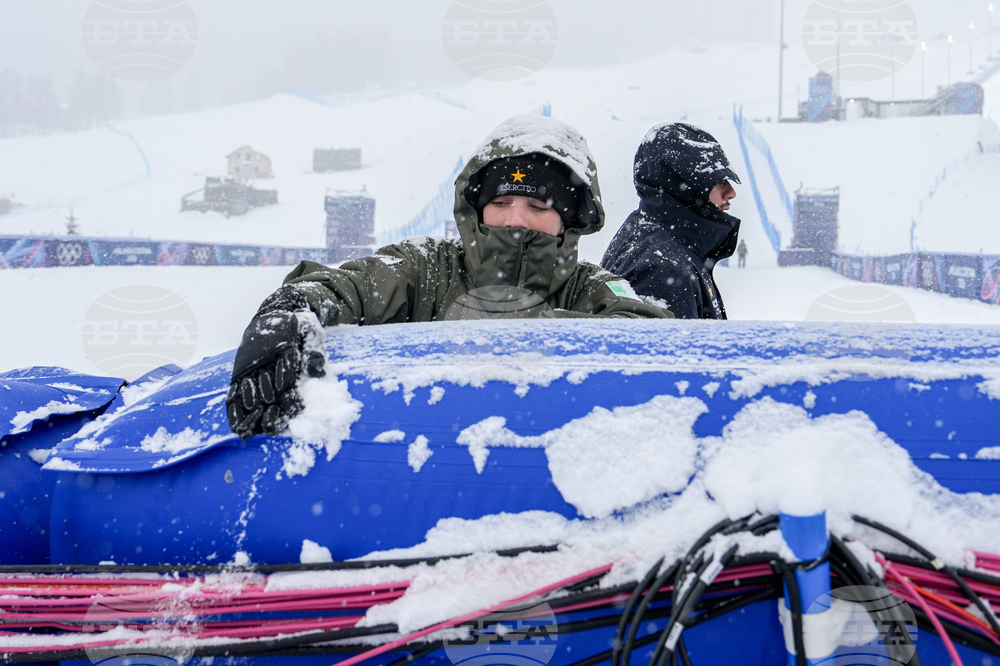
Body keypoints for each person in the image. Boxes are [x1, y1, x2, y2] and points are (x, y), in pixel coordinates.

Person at [226, 114, 673, 439]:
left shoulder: (593, 288)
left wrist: (515, 327)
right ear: (477, 209)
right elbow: (354, 285)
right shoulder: (425, 266)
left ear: (569, 220)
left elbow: (650, 337)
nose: (516, 220)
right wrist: (290, 307)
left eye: (538, 206)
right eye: (501, 203)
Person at [600, 123, 742, 320]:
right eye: (717, 181)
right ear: (683, 187)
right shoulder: (663, 271)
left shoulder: (653, 238)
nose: (731, 192)